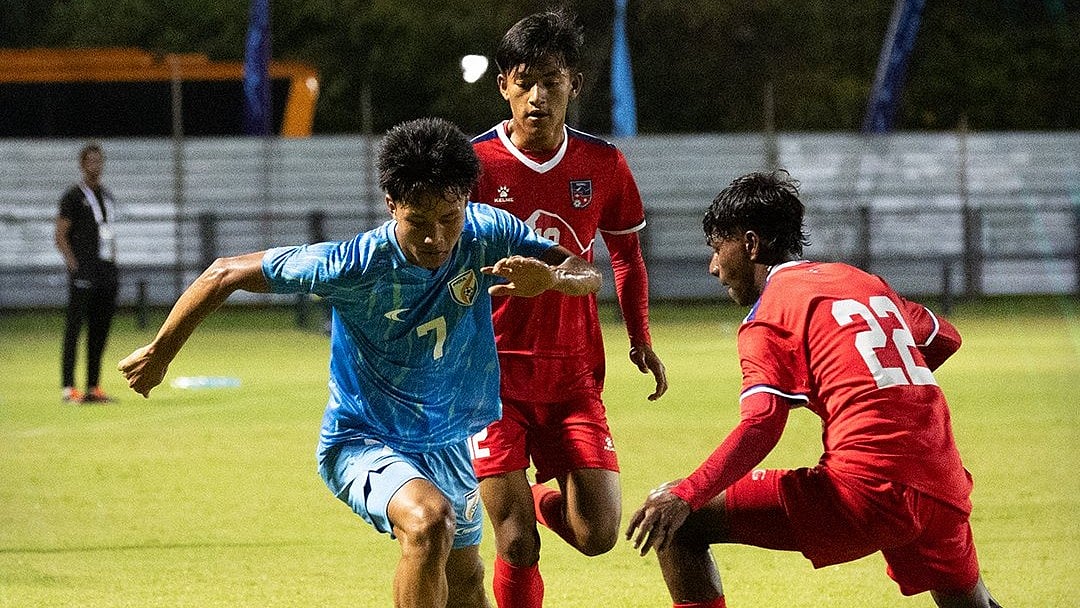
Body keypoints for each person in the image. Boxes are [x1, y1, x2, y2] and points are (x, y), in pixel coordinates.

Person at [117, 117, 602, 608]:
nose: (436, 238)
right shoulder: (353, 264)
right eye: (418, 221)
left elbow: (585, 270)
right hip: (363, 439)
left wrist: (555, 280)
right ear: (392, 205)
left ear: (466, 202)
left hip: (450, 440)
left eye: (448, 218)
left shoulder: (486, 231)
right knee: (428, 520)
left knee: (466, 581)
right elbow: (225, 272)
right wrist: (160, 353)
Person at [625, 170, 1003, 608]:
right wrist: (860, 386)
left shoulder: (769, 314)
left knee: (678, 523)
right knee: (970, 603)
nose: (714, 267)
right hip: (943, 482)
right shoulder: (860, 280)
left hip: (866, 489)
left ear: (750, 244)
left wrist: (687, 494)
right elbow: (944, 338)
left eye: (717, 248)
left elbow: (762, 425)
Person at [469, 10, 667, 608]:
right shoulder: (473, 165)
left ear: (573, 85)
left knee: (599, 533)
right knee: (516, 544)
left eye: (551, 81)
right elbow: (441, 266)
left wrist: (640, 338)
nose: (538, 96)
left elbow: (627, 257)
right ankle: (519, 515)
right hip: (491, 381)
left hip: (575, 377)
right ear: (503, 83)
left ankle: (539, 497)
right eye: (525, 81)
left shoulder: (601, 163)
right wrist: (499, 287)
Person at [55, 142, 119, 404]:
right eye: (90, 161)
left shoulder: (107, 195)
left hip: (106, 271)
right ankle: (68, 388)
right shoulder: (73, 196)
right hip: (84, 272)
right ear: (82, 165)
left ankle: (93, 386)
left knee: (99, 331)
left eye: (99, 160)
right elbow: (60, 235)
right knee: (74, 330)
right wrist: (73, 264)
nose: (96, 165)